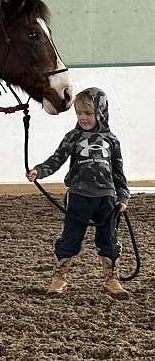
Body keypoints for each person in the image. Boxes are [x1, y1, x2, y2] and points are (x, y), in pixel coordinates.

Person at [25, 87, 130, 299]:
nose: (83, 117)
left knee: (109, 239)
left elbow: (118, 172)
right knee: (70, 238)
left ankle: (112, 279)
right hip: (78, 197)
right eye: (79, 113)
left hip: (106, 199)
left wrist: (123, 196)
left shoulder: (112, 140)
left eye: (88, 113)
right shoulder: (72, 137)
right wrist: (39, 171)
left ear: (100, 112)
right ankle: (59, 277)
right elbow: (56, 159)